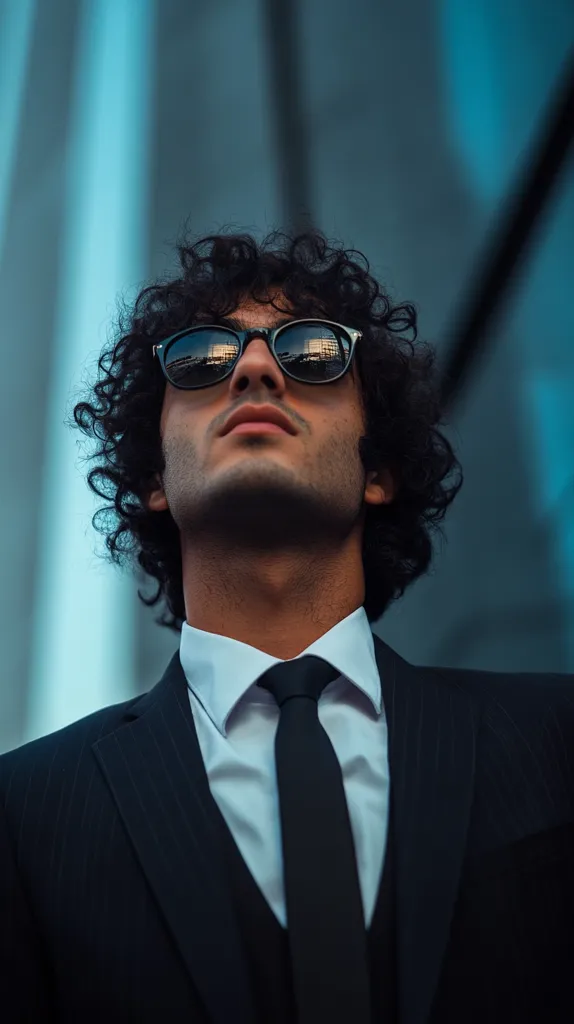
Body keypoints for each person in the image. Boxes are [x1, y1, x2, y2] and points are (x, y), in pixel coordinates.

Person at [1, 229, 573, 1024]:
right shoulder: (23, 816)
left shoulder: (557, 739)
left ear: (379, 471)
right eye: (202, 359)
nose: (255, 367)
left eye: (312, 354)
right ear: (154, 481)